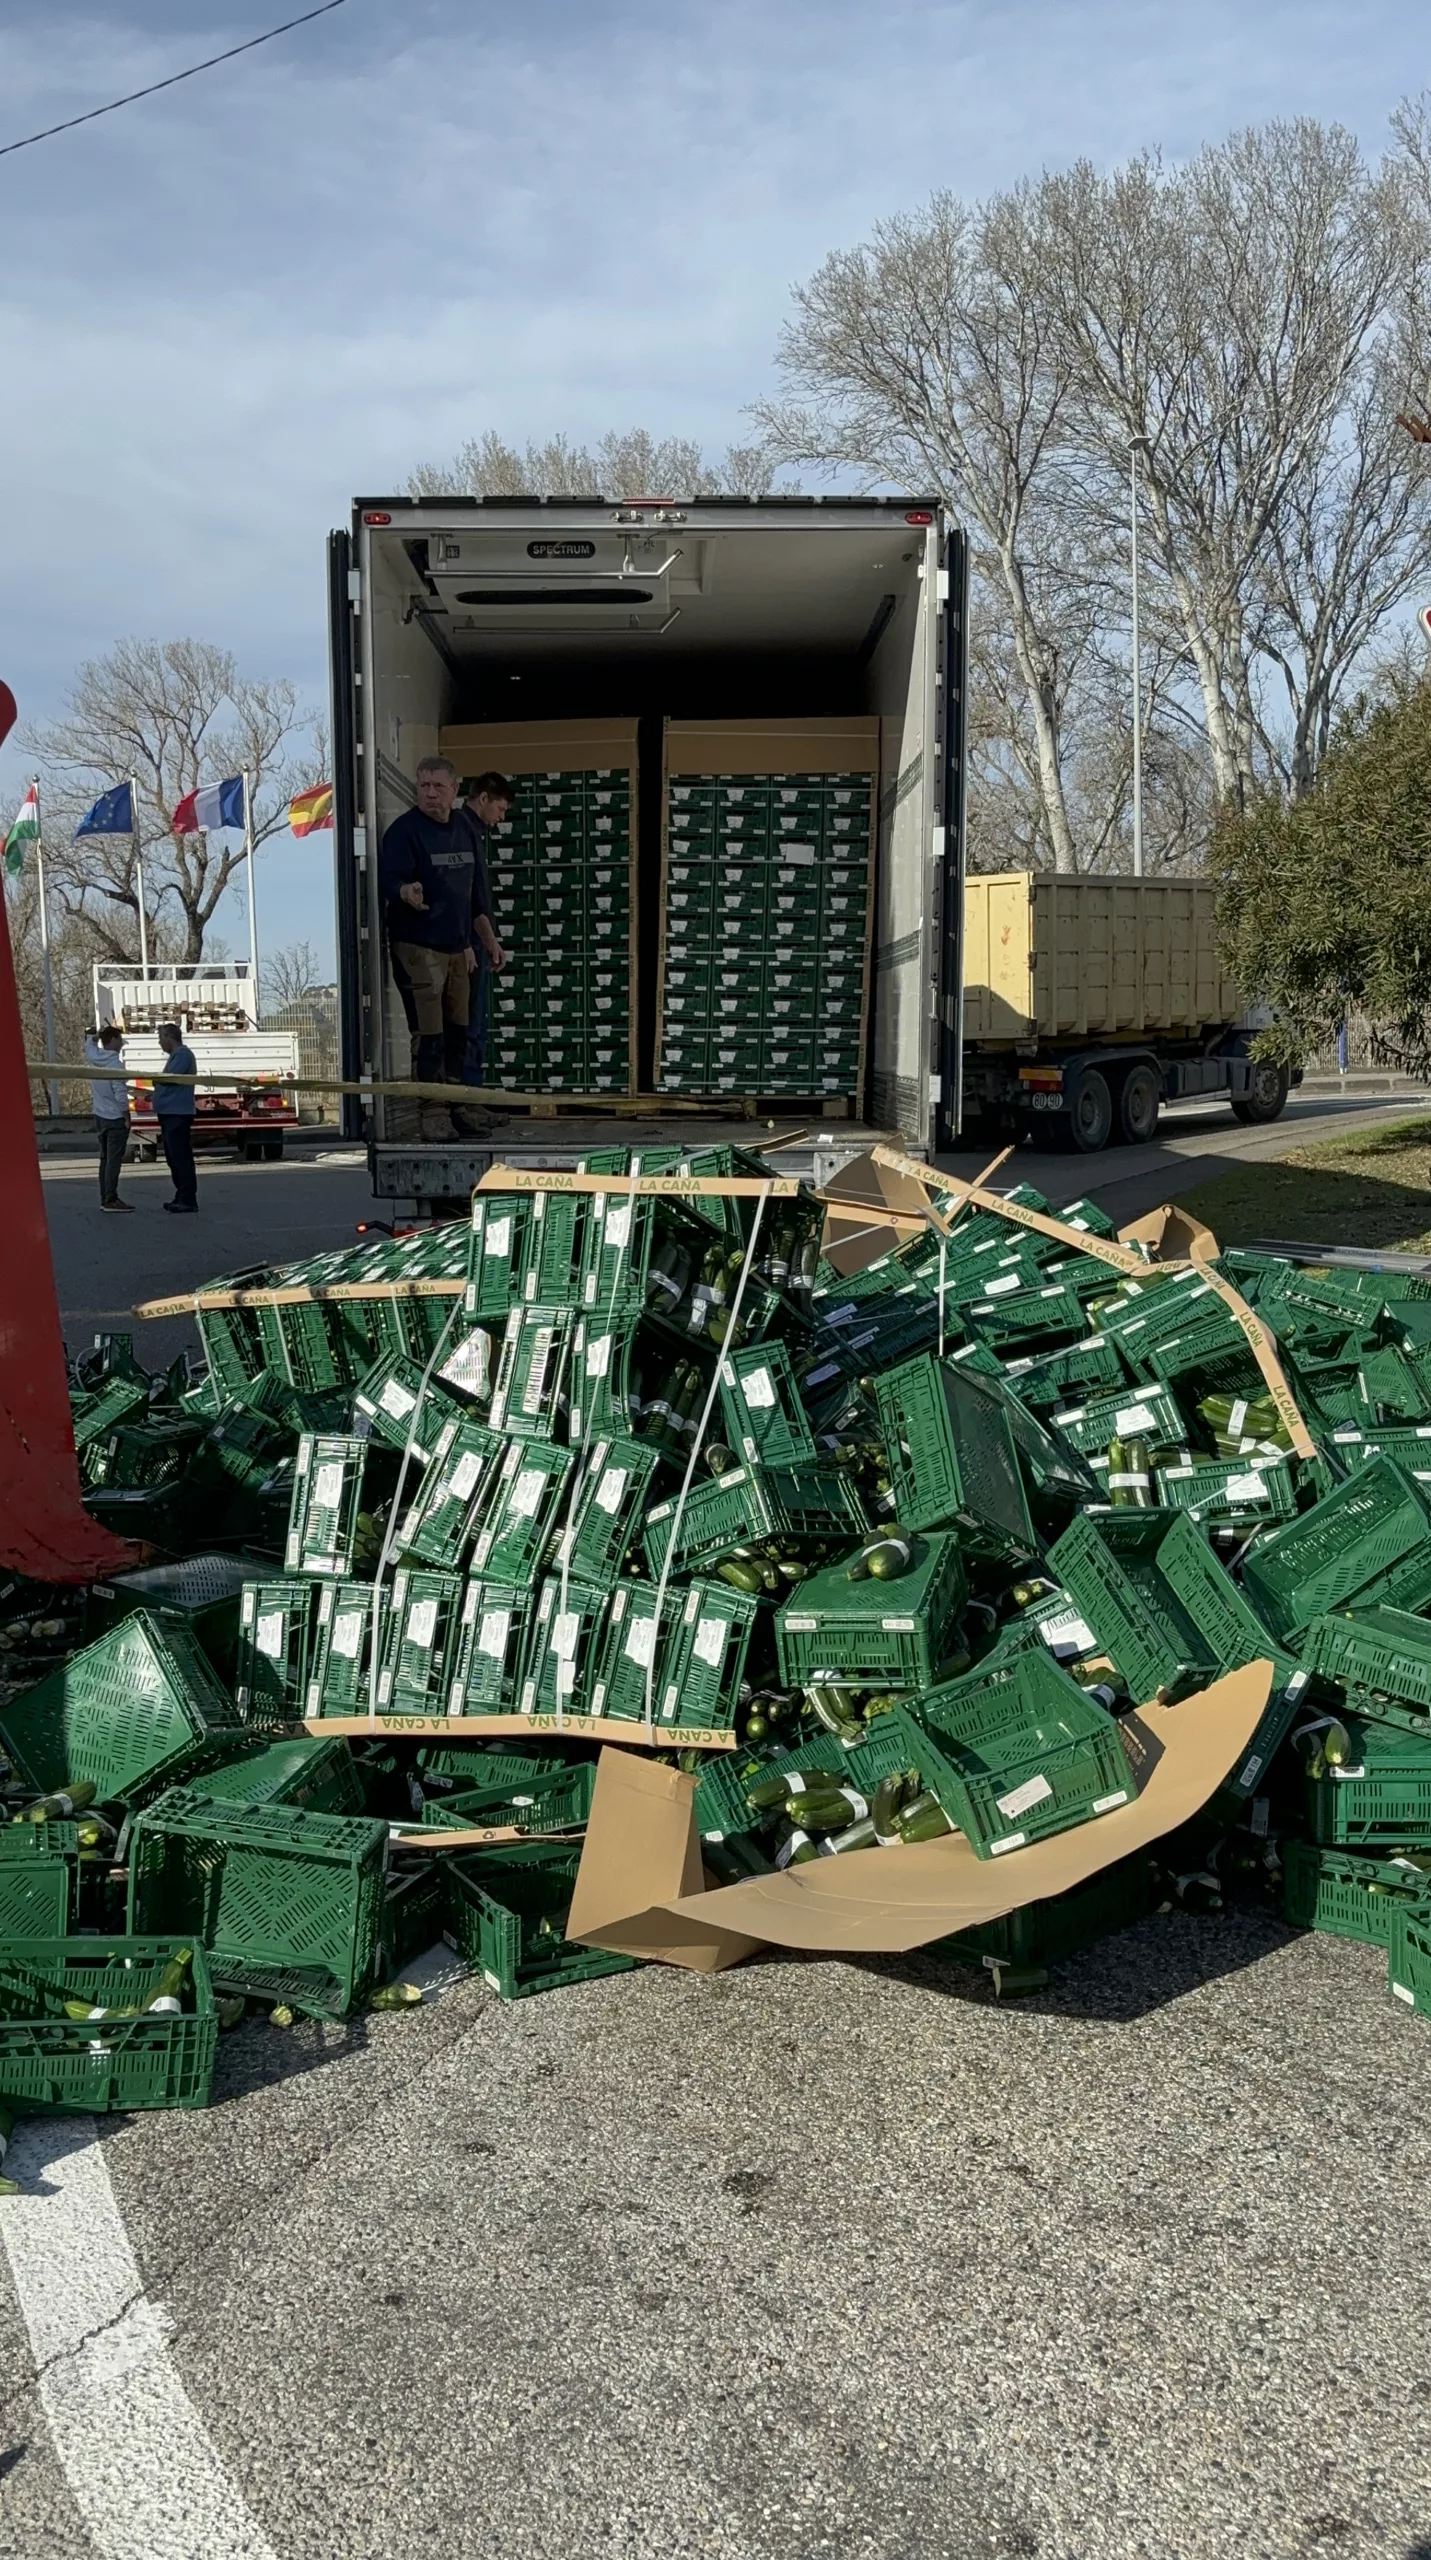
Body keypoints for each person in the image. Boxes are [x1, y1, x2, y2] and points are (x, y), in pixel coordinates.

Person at [379, 754, 505, 1140]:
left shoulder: (465, 831)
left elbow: (474, 897)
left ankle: (461, 1106)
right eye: (423, 786)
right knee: (429, 1034)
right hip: (418, 947)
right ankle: (432, 1111)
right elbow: (389, 881)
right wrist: (407, 891)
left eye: (437, 787)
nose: (430, 794)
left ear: (454, 789)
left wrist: (484, 940)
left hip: (458, 949)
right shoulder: (404, 831)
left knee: (460, 1032)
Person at [459, 771, 514, 1093]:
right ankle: (467, 1099)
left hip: (473, 940)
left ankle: (471, 1097)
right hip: (466, 943)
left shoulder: (471, 833)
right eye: (501, 809)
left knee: (476, 1025)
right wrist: (484, 939)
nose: (501, 818)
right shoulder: (462, 832)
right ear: (483, 799)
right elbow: (470, 897)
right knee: (470, 1025)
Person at [84, 1021, 132, 1213]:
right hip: (114, 1117)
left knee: (104, 1159)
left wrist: (96, 1036)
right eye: (120, 1040)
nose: (121, 1044)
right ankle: (111, 1198)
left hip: (99, 1115)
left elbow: (89, 1044)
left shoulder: (94, 1058)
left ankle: (105, 1197)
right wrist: (126, 1116)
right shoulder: (115, 1065)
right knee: (113, 1160)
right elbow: (120, 1095)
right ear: (112, 1040)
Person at [155, 1021, 199, 1214]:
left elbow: (170, 1078)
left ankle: (187, 1197)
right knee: (173, 1156)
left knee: (180, 1156)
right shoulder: (175, 1056)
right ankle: (180, 1194)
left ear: (169, 1037)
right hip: (169, 1112)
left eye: (160, 1038)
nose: (159, 1043)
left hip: (177, 1114)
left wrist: (156, 1080)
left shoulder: (182, 1055)